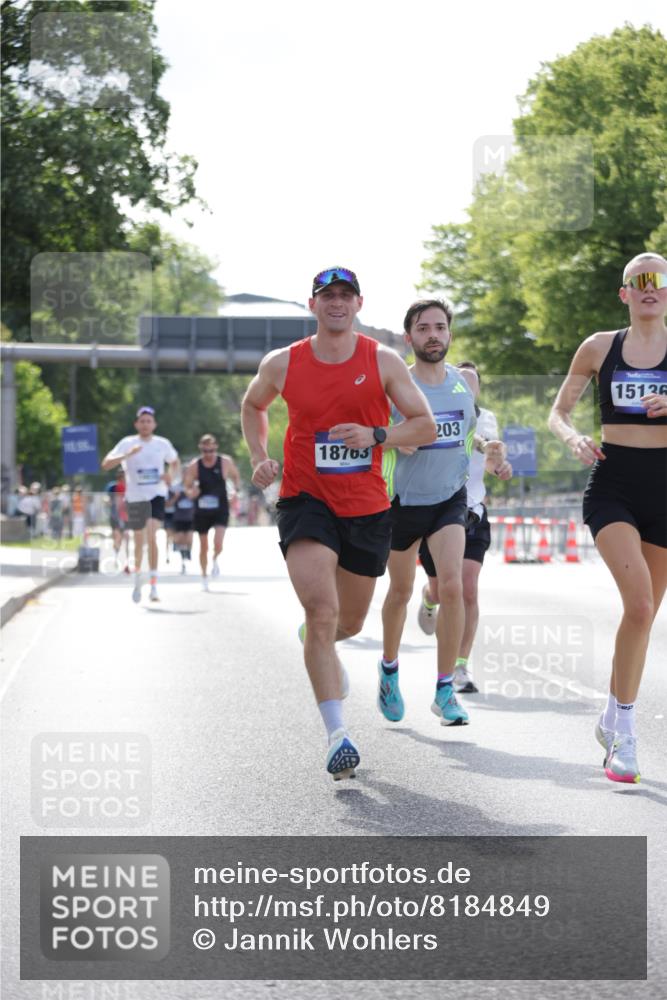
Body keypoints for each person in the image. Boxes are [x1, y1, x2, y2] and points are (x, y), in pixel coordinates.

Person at [241, 267, 436, 780]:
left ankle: (320, 641)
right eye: (327, 295)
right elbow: (252, 404)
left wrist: (377, 436)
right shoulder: (283, 362)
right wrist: (259, 455)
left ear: (358, 304)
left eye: (345, 295)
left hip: (366, 507)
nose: (337, 302)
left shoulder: (382, 360)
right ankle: (337, 735)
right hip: (305, 500)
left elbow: (424, 426)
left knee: (348, 622)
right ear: (312, 304)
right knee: (322, 611)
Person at [548, 251, 667, 784]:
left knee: (642, 618)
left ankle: (611, 716)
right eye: (639, 280)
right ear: (625, 293)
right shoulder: (599, 347)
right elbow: (559, 411)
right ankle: (625, 734)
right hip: (614, 484)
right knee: (638, 603)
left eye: (658, 279)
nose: (649, 287)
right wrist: (573, 437)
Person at [379, 301, 507, 728]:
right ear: (409, 337)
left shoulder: (461, 384)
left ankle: (444, 689)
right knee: (400, 592)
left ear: (449, 334)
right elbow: (375, 437)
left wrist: (487, 450)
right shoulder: (397, 385)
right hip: (404, 502)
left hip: (450, 499)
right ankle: (389, 671)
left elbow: (467, 435)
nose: (433, 335)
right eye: (423, 328)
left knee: (452, 587)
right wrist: (395, 439)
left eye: (439, 327)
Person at [416, 361, 512, 694]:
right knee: (442, 590)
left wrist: (501, 467)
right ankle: (429, 599)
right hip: (437, 512)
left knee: (467, 589)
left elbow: (492, 458)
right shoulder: (433, 411)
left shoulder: (487, 418)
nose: (468, 389)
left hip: (472, 511)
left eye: (474, 383)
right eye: (462, 382)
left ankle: (459, 666)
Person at [102, 406, 179, 603]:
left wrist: (170, 476)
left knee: (152, 536)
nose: (145, 424)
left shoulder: (162, 443)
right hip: (135, 497)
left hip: (156, 495)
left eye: (148, 421)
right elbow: (106, 464)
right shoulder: (127, 443)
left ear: (154, 424)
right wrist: (126, 455)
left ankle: (153, 584)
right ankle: (138, 580)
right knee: (139, 540)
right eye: (142, 421)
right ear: (136, 424)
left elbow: (175, 462)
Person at [183, 434, 241, 590]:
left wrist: (235, 492)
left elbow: (236, 477)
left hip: (221, 507)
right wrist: (191, 492)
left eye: (211, 450)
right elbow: (187, 486)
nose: (208, 454)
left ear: (216, 448)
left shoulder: (225, 462)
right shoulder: (195, 465)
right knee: (204, 546)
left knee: (218, 543)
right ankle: (204, 577)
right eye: (205, 451)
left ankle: (215, 559)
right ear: (200, 449)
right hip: (202, 510)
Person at [105, 469, 130, 572]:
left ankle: (127, 562)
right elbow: (107, 499)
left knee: (127, 537)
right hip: (115, 516)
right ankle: (116, 557)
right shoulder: (113, 487)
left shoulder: (129, 487)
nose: (123, 478)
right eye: (121, 476)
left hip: (126, 516)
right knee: (117, 537)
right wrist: (109, 502)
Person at [171, 479, 195, 573]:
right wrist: (175, 496)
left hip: (190, 518)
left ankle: (188, 553)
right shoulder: (176, 488)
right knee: (180, 540)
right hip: (179, 518)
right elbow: (168, 503)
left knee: (189, 539)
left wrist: (189, 493)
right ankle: (182, 559)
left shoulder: (195, 486)